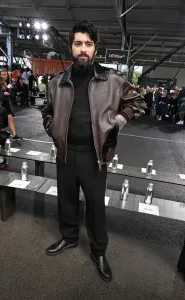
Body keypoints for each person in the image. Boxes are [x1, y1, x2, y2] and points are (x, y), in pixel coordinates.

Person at [42, 20, 145, 282]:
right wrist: (53, 129)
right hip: (66, 154)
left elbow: (138, 102)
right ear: (71, 47)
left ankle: (98, 251)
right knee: (66, 199)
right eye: (78, 43)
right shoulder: (57, 83)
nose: (83, 49)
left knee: (96, 206)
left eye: (88, 44)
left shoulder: (112, 79)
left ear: (95, 48)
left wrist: (118, 122)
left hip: (94, 155)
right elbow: (47, 112)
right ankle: (69, 237)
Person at [0, 68, 22, 141]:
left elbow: (11, 90)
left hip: (6, 103)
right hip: (0, 104)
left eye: (5, 74)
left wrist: (11, 90)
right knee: (1, 121)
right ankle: (0, 135)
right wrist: (3, 93)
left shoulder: (8, 82)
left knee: (10, 119)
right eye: (3, 75)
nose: (4, 76)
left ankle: (15, 135)